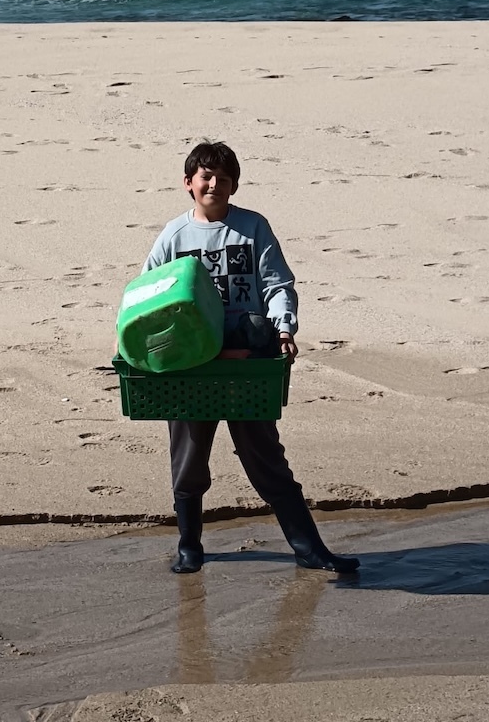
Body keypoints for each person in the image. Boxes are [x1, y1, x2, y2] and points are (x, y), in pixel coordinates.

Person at [141, 140, 359, 575]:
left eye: (223, 177)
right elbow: (147, 297)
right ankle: (190, 547)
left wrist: (284, 327)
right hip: (193, 365)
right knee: (188, 462)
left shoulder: (253, 227)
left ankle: (310, 550)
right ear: (189, 183)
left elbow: (278, 283)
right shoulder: (173, 236)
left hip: (246, 366)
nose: (214, 183)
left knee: (266, 460)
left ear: (235, 184)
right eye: (205, 176)